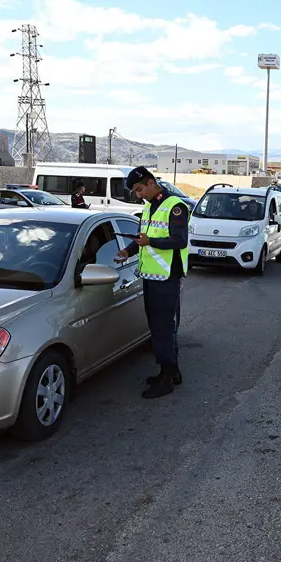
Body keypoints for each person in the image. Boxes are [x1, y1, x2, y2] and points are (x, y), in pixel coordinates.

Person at [114, 166, 189, 399]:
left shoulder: (174, 206)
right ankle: (171, 371)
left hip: (167, 277)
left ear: (150, 182)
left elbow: (179, 240)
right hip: (151, 276)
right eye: (135, 191)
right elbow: (141, 239)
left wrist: (150, 242)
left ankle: (166, 378)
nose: (138, 195)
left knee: (163, 328)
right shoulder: (148, 207)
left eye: (139, 189)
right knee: (157, 327)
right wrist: (128, 251)